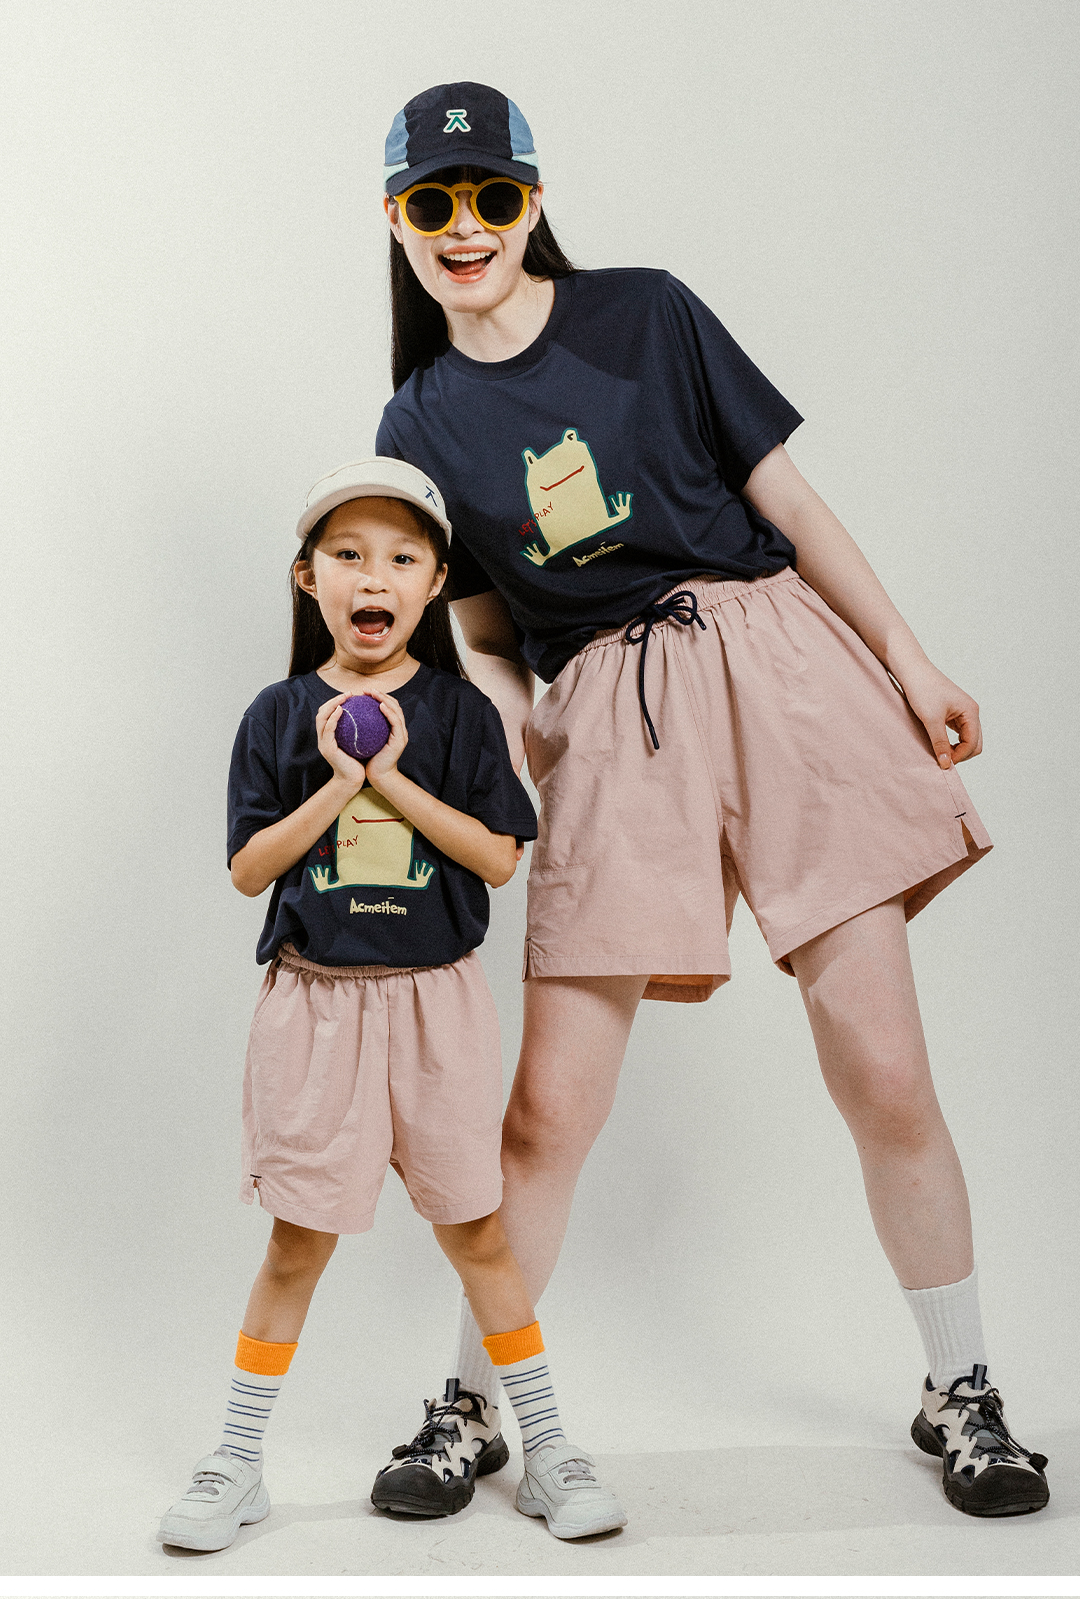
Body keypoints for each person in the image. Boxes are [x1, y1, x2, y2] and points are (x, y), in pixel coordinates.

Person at [373, 82, 1050, 1520]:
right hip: (612, 713)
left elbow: (788, 501)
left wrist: (910, 655)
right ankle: (472, 1407)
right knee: (548, 1112)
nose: (466, 226)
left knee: (884, 1067)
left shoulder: (648, 312)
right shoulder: (419, 419)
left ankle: (963, 1389)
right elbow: (480, 628)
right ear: (397, 221)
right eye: (435, 203)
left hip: (778, 663)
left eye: (492, 196)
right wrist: (517, 716)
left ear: (532, 201)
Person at [156, 458, 626, 1552]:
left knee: (479, 1234)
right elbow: (249, 869)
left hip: (436, 1007)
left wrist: (391, 777)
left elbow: (499, 859)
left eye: (403, 558)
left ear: (434, 582)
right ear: (308, 578)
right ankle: (237, 1461)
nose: (376, 577)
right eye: (349, 556)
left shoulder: (460, 712)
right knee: (296, 1243)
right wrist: (335, 777)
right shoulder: (278, 713)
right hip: (313, 1007)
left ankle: (549, 1450)